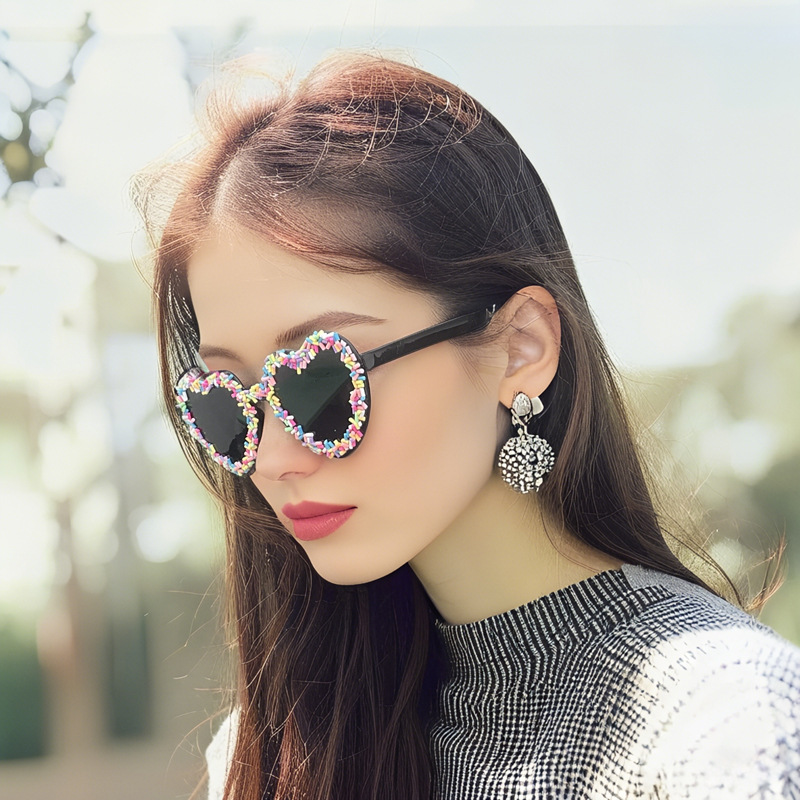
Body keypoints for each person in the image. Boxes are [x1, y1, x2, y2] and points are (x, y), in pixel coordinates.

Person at [135, 50, 800, 800]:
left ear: (521, 348)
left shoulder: (724, 734)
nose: (272, 457)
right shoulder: (266, 754)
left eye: (319, 381)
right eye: (227, 403)